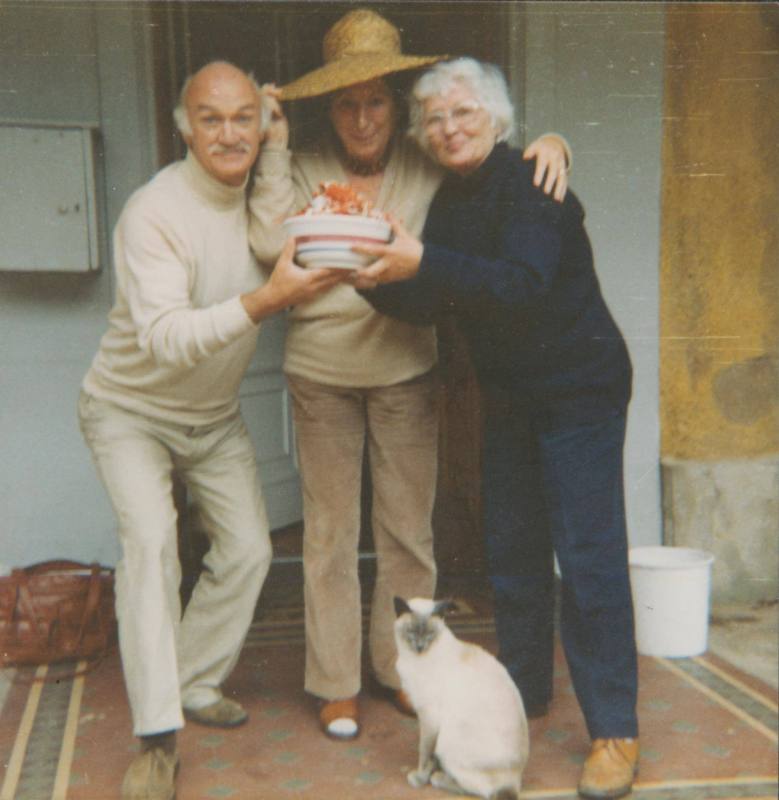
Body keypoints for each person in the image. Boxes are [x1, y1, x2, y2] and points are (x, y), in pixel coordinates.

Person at [248, 7, 571, 742]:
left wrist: (548, 144)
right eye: (344, 103)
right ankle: (333, 682)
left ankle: (400, 670)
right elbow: (271, 239)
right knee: (329, 533)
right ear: (328, 110)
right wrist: (270, 147)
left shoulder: (432, 161)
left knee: (406, 532)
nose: (361, 117)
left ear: (395, 107)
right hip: (320, 371)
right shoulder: (300, 168)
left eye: (374, 102)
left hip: (405, 367)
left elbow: (492, 168)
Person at [353, 57, 640, 800]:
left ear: (497, 119)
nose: (449, 129)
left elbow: (520, 285)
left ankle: (614, 732)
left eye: (464, 114)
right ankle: (523, 692)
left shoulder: (535, 185)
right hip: (510, 393)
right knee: (511, 548)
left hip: (580, 389)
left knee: (587, 558)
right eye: (436, 119)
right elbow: (437, 296)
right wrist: (378, 283)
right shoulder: (451, 202)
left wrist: (423, 258)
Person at [78, 61, 345, 800]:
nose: (229, 134)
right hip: (129, 409)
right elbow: (164, 338)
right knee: (154, 546)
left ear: (261, 125)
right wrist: (268, 300)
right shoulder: (153, 211)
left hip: (211, 415)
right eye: (211, 118)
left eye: (243, 117)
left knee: (250, 550)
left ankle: (192, 678)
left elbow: (284, 222)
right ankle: (156, 740)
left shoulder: (261, 190)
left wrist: (282, 145)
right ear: (184, 128)